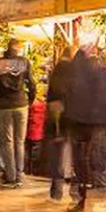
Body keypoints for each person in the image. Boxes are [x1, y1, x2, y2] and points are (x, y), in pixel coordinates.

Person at [60, 36, 106, 212]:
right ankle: (101, 185)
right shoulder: (102, 73)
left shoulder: (76, 71)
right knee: (97, 155)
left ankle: (82, 199)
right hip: (97, 122)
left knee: (81, 160)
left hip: (79, 122)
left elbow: (68, 96)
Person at [0, 39, 37, 188]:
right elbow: (31, 82)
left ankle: (10, 176)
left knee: (8, 142)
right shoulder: (24, 62)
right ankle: (19, 175)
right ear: (18, 49)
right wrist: (30, 100)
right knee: (19, 141)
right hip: (21, 103)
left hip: (4, 105)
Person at [46, 45, 75, 201]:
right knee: (71, 149)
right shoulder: (72, 69)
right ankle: (72, 187)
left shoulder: (56, 69)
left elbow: (51, 93)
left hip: (56, 114)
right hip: (69, 114)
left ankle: (56, 190)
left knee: (58, 152)